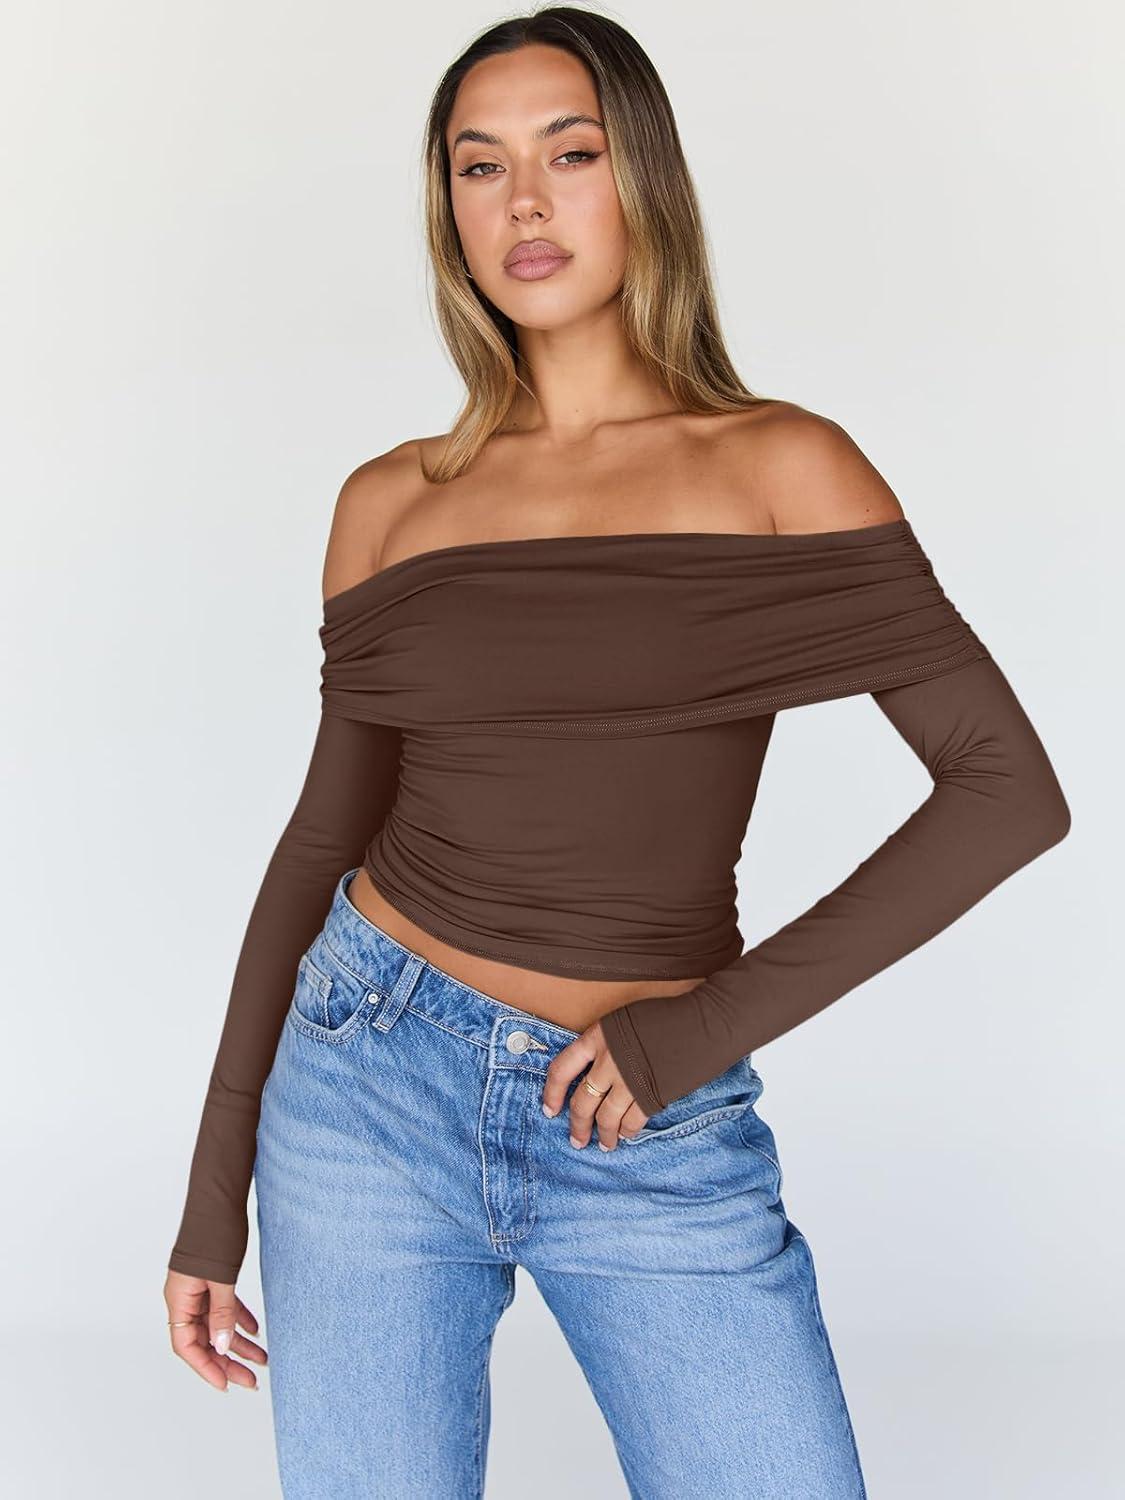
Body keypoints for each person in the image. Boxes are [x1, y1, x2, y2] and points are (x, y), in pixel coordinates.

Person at [163, 9, 1071, 1497]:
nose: (523, 202)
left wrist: (695, 1032)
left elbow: (1005, 792)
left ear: (642, 176)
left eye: (568, 154)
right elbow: (322, 842)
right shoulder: (393, 502)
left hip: (647, 1111)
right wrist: (213, 1199)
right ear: (447, 210)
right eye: (479, 166)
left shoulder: (779, 466)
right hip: (365, 1082)